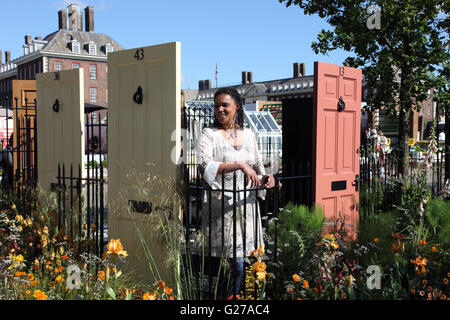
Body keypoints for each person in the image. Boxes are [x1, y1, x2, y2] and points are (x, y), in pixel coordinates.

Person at [196, 87, 275, 298]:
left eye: (225, 105)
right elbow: (204, 166)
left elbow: (258, 167)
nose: (219, 109)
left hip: (247, 207)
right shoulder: (208, 134)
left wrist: (266, 179)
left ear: (237, 107)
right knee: (235, 263)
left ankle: (240, 298)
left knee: (249, 261)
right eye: (216, 105)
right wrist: (239, 164)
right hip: (222, 209)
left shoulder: (249, 135)